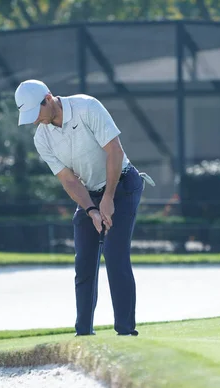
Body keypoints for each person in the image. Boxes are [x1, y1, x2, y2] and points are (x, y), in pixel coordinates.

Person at [14, 79, 154, 336]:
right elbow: (68, 179)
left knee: (114, 255)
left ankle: (125, 331)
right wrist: (91, 210)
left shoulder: (87, 107)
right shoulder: (42, 138)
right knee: (85, 262)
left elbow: (115, 151)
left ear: (48, 98)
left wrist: (109, 198)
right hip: (90, 193)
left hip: (122, 185)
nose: (36, 121)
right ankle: (84, 333)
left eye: (37, 113)